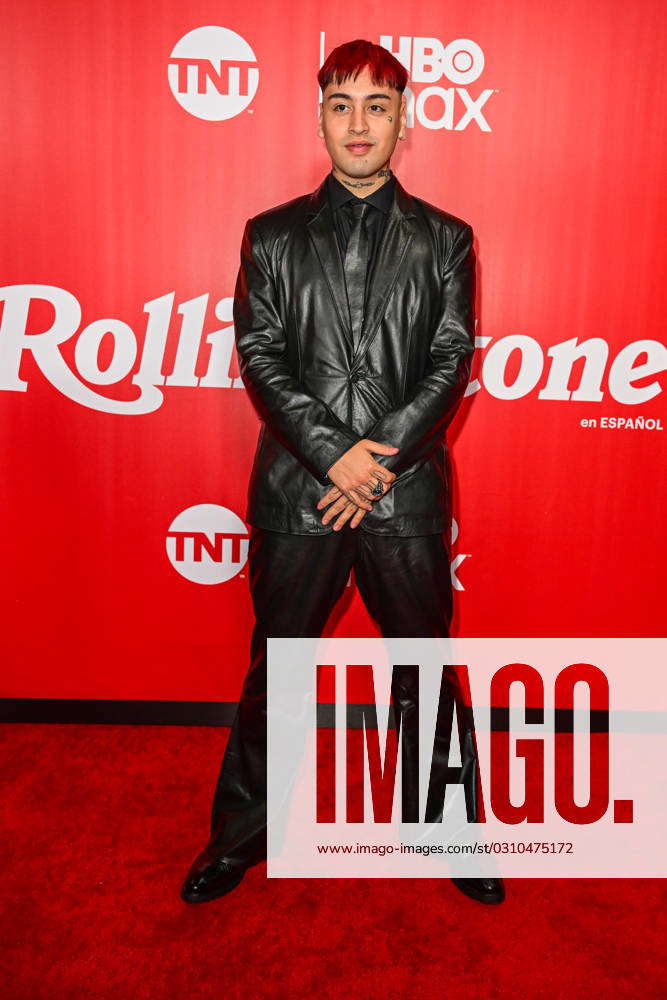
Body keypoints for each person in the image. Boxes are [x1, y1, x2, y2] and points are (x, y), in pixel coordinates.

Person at [181, 38, 505, 906]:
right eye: (341, 103)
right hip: (299, 489)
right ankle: (237, 837)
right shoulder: (271, 235)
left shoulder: (446, 238)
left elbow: (448, 359)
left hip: (405, 495)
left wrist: (377, 460)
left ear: (404, 123)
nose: (358, 123)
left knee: (425, 668)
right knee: (277, 666)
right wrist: (334, 454)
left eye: (377, 105)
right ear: (319, 116)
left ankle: (449, 834)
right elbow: (258, 357)